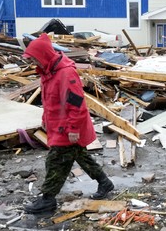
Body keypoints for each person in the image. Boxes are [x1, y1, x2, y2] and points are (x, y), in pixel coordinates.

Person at [22, 33, 114, 214]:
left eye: (34, 59)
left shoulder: (66, 73)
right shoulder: (48, 72)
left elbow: (76, 103)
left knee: (55, 162)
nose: (34, 63)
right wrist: (44, 119)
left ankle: (48, 199)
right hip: (59, 124)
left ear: (43, 56)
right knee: (81, 156)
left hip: (70, 127)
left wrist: (73, 128)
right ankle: (105, 183)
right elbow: (49, 100)